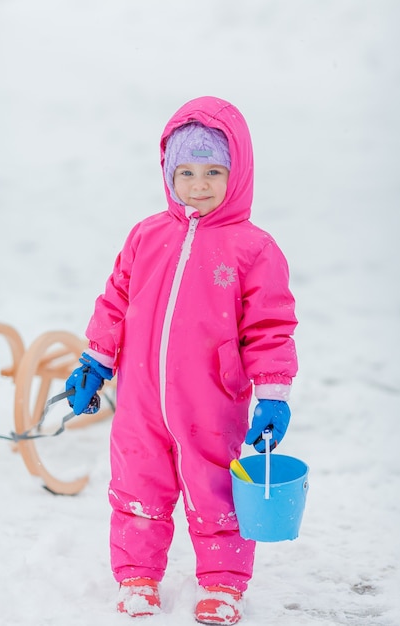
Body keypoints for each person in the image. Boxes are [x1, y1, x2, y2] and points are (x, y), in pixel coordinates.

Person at [66, 96, 298, 625]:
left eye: (214, 171)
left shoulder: (252, 248)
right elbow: (115, 301)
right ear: (168, 172)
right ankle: (137, 576)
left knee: (216, 489)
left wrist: (273, 392)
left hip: (212, 399)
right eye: (185, 171)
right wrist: (95, 361)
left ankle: (222, 583)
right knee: (137, 484)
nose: (198, 185)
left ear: (237, 174)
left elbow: (270, 326)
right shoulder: (147, 235)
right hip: (141, 398)